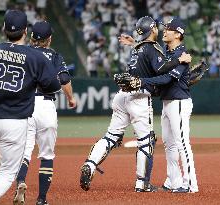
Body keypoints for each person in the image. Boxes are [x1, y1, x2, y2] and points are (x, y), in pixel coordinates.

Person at [79, 16, 191, 192]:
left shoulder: (137, 48)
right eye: (156, 28)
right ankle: (142, 183)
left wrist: (133, 44)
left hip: (121, 96)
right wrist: (179, 61)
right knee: (146, 141)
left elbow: (146, 57)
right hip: (138, 97)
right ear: (153, 30)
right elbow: (161, 69)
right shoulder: (152, 48)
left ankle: (90, 164)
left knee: (111, 136)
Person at [0, 10, 61, 205]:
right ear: (26, 31)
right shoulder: (34, 57)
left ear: (3, 28)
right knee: (7, 174)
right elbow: (54, 86)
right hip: (15, 122)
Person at [12, 21, 76, 205]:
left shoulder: (22, 53)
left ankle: (21, 181)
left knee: (24, 152)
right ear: (49, 39)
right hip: (46, 106)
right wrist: (71, 99)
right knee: (47, 155)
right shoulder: (54, 56)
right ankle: (41, 199)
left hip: (25, 106)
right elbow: (64, 79)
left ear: (31, 37)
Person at [139, 18, 199, 193]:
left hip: (179, 102)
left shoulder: (182, 55)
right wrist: (134, 43)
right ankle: (174, 181)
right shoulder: (167, 52)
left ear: (178, 34)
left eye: (169, 29)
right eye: (164, 28)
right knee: (169, 145)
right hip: (167, 103)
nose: (164, 31)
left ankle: (190, 184)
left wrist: (141, 81)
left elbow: (166, 78)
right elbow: (153, 60)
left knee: (182, 144)